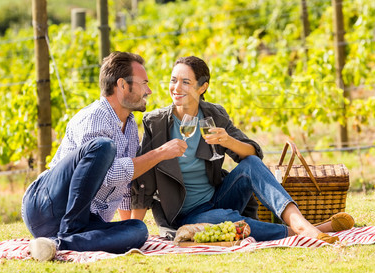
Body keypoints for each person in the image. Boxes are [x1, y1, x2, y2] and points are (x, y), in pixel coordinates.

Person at [131, 56, 353, 243]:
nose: (176, 88)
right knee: (223, 218)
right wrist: (134, 231)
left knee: (251, 165)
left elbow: (252, 154)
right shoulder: (156, 123)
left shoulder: (214, 115)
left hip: (218, 198)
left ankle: (299, 223)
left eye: (185, 82)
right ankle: (305, 231)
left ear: (202, 87)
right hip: (183, 215)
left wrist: (228, 141)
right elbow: (145, 181)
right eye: (173, 80)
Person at [21, 51, 187, 261]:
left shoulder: (129, 128)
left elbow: (124, 184)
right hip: (46, 206)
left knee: (138, 230)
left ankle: (55, 244)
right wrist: (161, 153)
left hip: (86, 218)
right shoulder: (94, 117)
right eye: (143, 83)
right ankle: (71, 231)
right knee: (103, 147)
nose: (149, 90)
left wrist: (127, 224)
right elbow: (108, 175)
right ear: (123, 85)